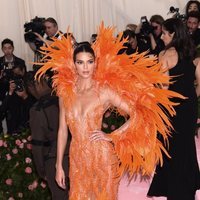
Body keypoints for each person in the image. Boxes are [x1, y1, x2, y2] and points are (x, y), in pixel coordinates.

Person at [36, 25, 183, 199]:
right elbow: (62, 130)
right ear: (74, 64)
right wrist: (59, 165)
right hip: (77, 159)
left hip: (102, 158)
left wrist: (112, 135)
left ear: (95, 63)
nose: (85, 67)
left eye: (89, 61)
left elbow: (138, 112)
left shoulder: (104, 91)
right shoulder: (65, 91)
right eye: (80, 62)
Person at [147, 18, 200, 200]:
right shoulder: (192, 53)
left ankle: (176, 192)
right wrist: (191, 97)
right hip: (190, 108)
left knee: (172, 151)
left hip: (172, 110)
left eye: (164, 33)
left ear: (173, 34)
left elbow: (163, 89)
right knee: (187, 148)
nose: (161, 36)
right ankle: (188, 191)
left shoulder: (164, 55)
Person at [26, 71, 70, 199]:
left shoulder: (37, 109)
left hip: (54, 161)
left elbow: (38, 144)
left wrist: (41, 171)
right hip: (76, 156)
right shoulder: (65, 99)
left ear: (35, 85)